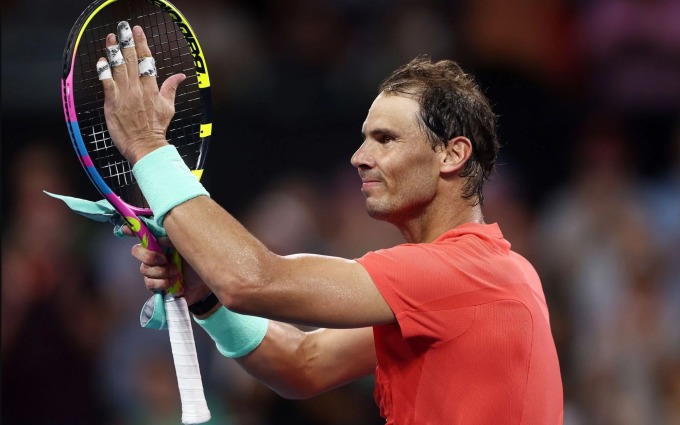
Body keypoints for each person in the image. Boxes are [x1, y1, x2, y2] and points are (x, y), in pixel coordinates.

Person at [100, 23, 563, 424]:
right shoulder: (462, 286)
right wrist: (207, 301)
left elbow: (253, 280)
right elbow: (304, 363)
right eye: (364, 140)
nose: (360, 158)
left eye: (385, 139)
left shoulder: (467, 273)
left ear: (452, 154)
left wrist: (148, 147)